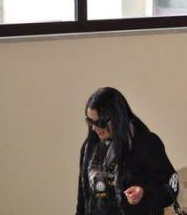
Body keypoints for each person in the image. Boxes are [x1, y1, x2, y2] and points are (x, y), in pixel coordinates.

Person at [76, 87, 178, 215]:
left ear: (116, 117)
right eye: (90, 121)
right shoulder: (89, 148)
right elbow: (82, 200)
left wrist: (144, 193)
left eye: (100, 123)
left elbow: (171, 187)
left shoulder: (145, 143)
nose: (94, 128)